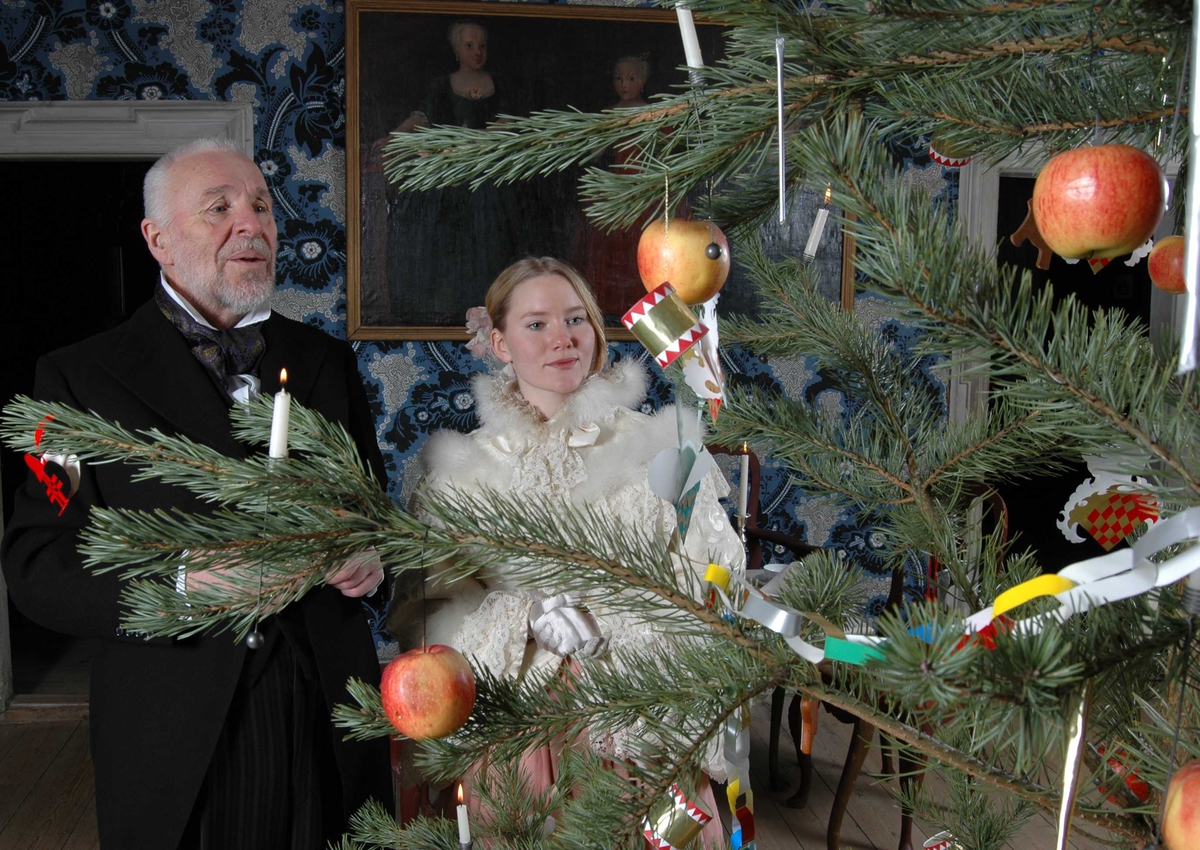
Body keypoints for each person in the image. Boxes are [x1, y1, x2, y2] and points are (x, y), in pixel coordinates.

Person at [1, 138, 392, 850]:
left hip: (328, 712)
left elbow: (374, 518)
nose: (254, 225)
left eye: (263, 206)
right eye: (220, 208)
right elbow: (38, 565)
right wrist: (179, 581)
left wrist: (372, 560)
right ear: (157, 239)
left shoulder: (323, 361)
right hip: (179, 725)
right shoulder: (73, 380)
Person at [389, 257, 743, 842]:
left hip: (642, 718)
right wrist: (523, 617)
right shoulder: (458, 472)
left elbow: (717, 581)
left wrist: (621, 619)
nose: (563, 338)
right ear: (499, 342)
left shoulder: (662, 445)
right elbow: (425, 626)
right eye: (536, 324)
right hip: (517, 732)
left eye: (577, 318)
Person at [373, 20, 521, 327]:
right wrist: (395, 135)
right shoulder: (442, 85)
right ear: (456, 49)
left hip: (484, 175)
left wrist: (476, 144)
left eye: (482, 45)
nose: (477, 52)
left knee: (487, 238)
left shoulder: (500, 82)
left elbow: (507, 123)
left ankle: (489, 307)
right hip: (447, 177)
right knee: (446, 240)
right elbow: (422, 117)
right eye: (469, 45)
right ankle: (446, 307)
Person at [571, 54, 657, 319]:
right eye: (619, 78)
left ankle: (644, 311)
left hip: (643, 192)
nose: (624, 84)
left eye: (631, 79)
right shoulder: (608, 114)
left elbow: (662, 153)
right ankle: (607, 312)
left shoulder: (653, 114)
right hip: (613, 189)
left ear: (642, 81)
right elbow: (593, 153)